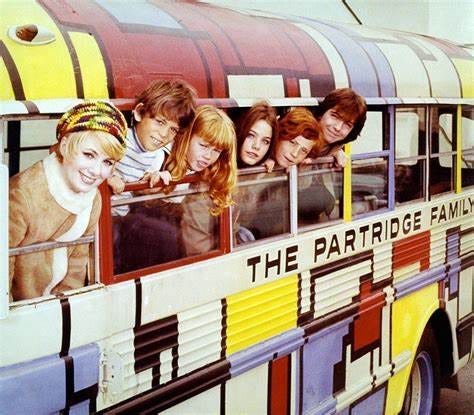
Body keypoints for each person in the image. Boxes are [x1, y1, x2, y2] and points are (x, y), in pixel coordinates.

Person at [9, 101, 127, 301]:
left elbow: (78, 263)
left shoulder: (93, 197)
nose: (97, 172)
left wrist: (69, 304)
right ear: (64, 146)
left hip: (57, 307)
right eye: (89, 155)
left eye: (107, 162)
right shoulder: (22, 194)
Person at [118, 105, 237, 272]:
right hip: (136, 235)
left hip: (167, 234)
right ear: (187, 136)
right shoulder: (159, 157)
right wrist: (149, 186)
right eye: (203, 146)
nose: (209, 156)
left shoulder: (204, 167)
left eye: (217, 150)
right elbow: (130, 186)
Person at [299, 88, 367, 222]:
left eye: (347, 124)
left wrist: (336, 151)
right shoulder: (299, 135)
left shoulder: (334, 146)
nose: (338, 127)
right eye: (335, 116)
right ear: (321, 113)